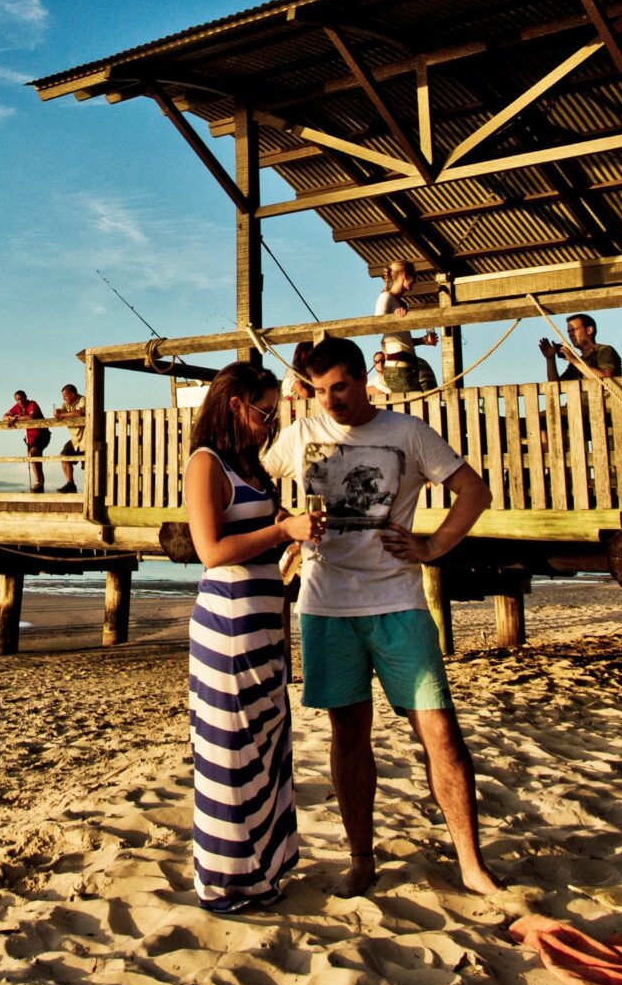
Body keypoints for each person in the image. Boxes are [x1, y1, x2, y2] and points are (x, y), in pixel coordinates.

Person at [265, 336, 501, 898]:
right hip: (325, 604)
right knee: (348, 734)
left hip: (398, 601)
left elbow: (474, 490)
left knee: (440, 732)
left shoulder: (407, 433)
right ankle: (362, 859)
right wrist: (286, 522)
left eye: (340, 387)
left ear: (362, 380)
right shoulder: (300, 435)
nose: (331, 401)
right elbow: (250, 485)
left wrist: (434, 546)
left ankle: (471, 863)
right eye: (320, 392)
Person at [183, 361, 319, 913]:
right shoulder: (205, 464)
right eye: (266, 412)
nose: (271, 423)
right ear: (237, 405)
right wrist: (282, 530)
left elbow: (257, 526)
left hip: (265, 625)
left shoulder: (250, 466)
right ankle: (228, 883)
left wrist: (286, 525)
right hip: (229, 629)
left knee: (267, 744)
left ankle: (267, 865)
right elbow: (211, 551)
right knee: (231, 752)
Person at [372, 262, 440, 397]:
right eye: (413, 276)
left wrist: (422, 340)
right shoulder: (386, 297)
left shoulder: (402, 303)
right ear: (403, 274)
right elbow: (377, 327)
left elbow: (399, 339)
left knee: (419, 408)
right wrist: (393, 318)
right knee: (419, 408)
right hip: (398, 369)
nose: (415, 280)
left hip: (408, 367)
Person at [539, 313, 622, 380]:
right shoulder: (578, 361)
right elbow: (556, 385)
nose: (570, 335)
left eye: (574, 330)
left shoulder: (605, 350)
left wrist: (573, 360)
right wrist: (550, 359)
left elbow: (606, 378)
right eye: (568, 332)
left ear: (589, 330)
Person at [8, 390, 51, 490]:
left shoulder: (32, 404)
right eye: (17, 399)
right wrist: (12, 417)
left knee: (33, 454)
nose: (20, 401)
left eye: (22, 398)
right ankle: (40, 485)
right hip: (30, 438)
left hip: (41, 435)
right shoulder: (17, 407)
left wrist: (16, 419)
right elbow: (4, 417)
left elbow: (32, 416)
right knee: (35, 459)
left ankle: (37, 482)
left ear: (26, 397)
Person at [52, 383, 86, 493]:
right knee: (64, 456)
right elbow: (61, 411)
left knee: (89, 464)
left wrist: (62, 415)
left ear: (73, 394)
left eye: (65, 396)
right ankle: (70, 483)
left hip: (87, 438)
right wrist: (58, 412)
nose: (64, 399)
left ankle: (92, 489)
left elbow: (79, 412)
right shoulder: (66, 404)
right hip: (75, 439)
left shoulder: (83, 400)